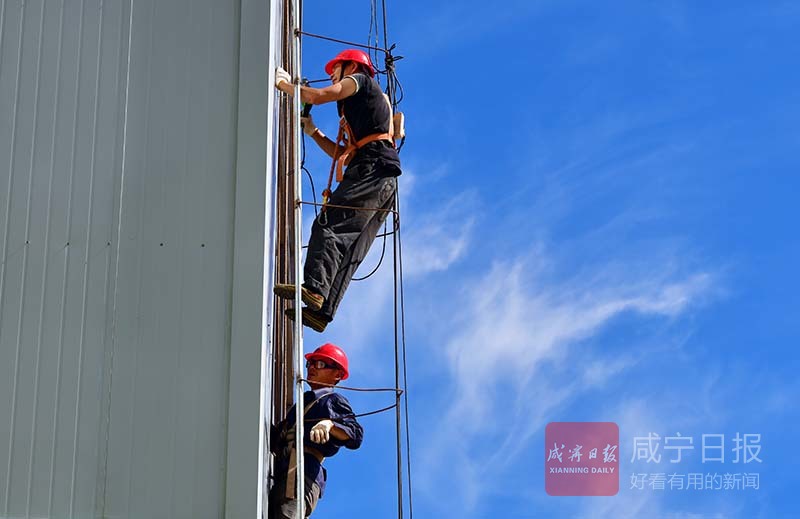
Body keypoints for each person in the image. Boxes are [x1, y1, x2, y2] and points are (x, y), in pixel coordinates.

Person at [274, 49, 402, 333]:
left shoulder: (360, 82)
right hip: (381, 177)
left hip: (372, 169)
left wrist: (284, 84)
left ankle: (315, 290)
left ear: (353, 66)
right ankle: (323, 311)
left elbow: (319, 96)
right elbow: (344, 153)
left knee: (329, 224)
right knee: (350, 248)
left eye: (336, 68)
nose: (332, 74)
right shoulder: (366, 108)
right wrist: (314, 132)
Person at [269, 343, 363, 518]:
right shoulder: (304, 402)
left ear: (337, 374)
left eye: (320, 364)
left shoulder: (332, 400)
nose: (312, 368)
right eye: (311, 364)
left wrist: (329, 425)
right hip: (283, 470)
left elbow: (355, 434)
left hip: (301, 474)